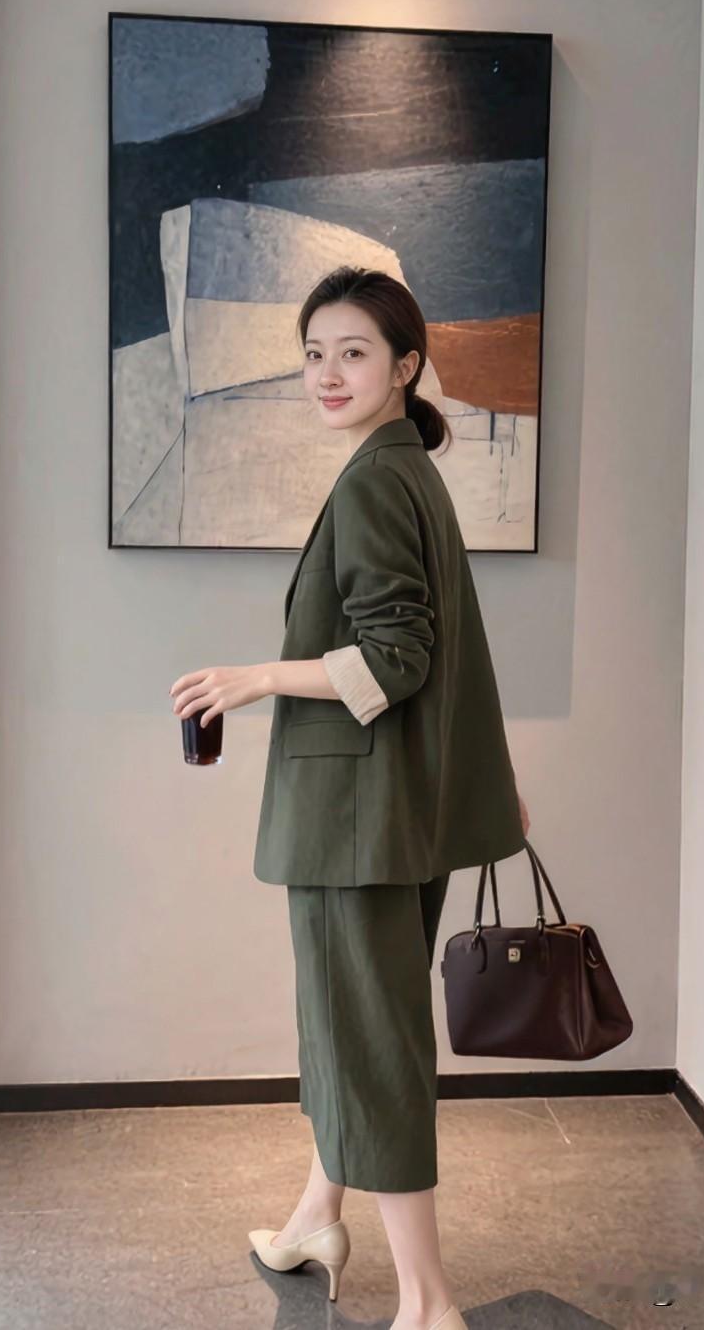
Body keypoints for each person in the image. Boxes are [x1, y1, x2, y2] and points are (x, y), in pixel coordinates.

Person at [171, 265, 531, 1330]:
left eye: (354, 354)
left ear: (406, 365)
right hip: (399, 814)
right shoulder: (405, 465)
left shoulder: (377, 480)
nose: (327, 374)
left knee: (367, 1046)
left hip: (355, 826)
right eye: (314, 354)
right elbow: (450, 654)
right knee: (358, 1030)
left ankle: (427, 1301)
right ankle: (313, 1222)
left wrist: (258, 678)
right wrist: (489, 782)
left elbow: (400, 658)